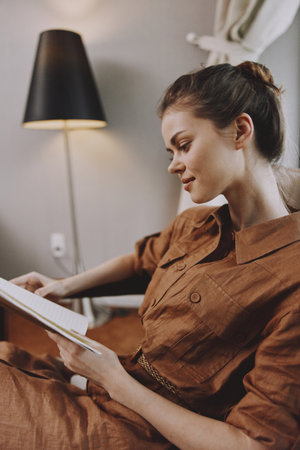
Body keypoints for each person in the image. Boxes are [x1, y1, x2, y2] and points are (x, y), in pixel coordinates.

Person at [1, 61, 300, 449]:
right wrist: (63, 285)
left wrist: (112, 380)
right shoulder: (197, 225)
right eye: (170, 150)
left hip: (140, 426)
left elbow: (253, 444)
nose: (173, 164)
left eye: (184, 145)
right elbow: (142, 261)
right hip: (113, 384)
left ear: (240, 131)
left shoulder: (291, 279)